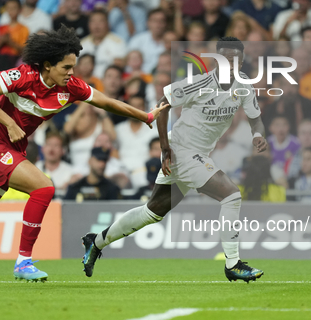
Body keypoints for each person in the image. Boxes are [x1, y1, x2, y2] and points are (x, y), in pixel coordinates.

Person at [0, 25, 167, 288]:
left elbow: (106, 101)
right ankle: (23, 261)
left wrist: (144, 116)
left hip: (10, 151)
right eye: (66, 67)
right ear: (47, 66)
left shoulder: (71, 88)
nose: (71, 73)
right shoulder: (22, 76)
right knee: (44, 187)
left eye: (73, 67)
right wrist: (8, 122)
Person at [80, 37, 267, 283]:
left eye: (235, 59)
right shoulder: (198, 84)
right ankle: (233, 264)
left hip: (197, 153)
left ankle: (97, 241)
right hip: (181, 150)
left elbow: (255, 117)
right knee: (231, 196)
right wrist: (165, 148)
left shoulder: (244, 87)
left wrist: (257, 134)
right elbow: (162, 105)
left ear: (241, 62)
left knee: (153, 211)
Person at [80, 9, 127, 78]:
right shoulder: (81, 44)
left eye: (100, 21)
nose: (96, 26)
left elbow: (120, 67)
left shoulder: (118, 42)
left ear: (108, 24)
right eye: (93, 22)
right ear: (88, 24)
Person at [0, 0, 29, 71]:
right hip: (0, 59)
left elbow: (24, 49)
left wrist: (10, 42)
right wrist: (2, 41)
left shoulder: (24, 29)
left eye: (14, 8)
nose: (11, 11)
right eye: (8, 8)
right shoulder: (1, 28)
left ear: (20, 10)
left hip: (14, 59)